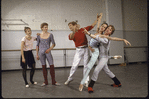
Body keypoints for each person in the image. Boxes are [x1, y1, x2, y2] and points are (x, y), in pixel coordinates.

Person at [82, 25, 131, 93]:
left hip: (104, 58)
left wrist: (88, 33)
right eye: (108, 28)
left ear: (111, 32)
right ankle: (117, 83)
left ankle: (90, 86)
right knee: (107, 71)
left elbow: (111, 38)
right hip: (100, 57)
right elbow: (96, 37)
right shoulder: (102, 35)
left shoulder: (106, 39)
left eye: (110, 30)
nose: (108, 29)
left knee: (96, 70)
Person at [64, 14, 100, 87]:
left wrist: (97, 19)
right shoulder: (71, 34)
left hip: (86, 49)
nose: (70, 27)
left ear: (75, 25)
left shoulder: (83, 29)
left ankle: (86, 81)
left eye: (71, 25)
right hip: (78, 50)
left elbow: (92, 25)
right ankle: (70, 78)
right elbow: (71, 37)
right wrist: (74, 31)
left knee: (86, 66)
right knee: (74, 65)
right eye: (69, 26)